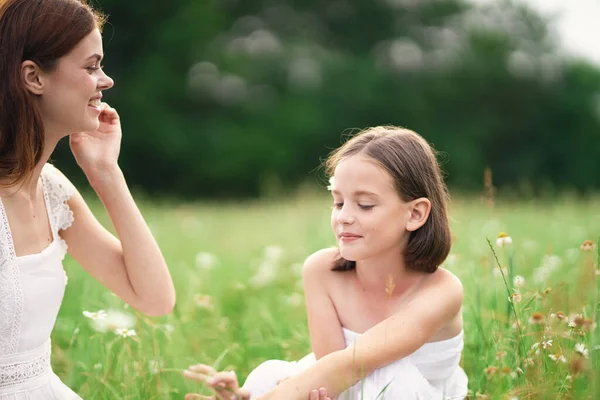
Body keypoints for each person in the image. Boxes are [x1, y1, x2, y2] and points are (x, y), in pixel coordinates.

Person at [183, 126, 468, 399]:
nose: (344, 216)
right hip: (343, 381)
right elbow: (328, 373)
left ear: (415, 214)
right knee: (267, 375)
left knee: (392, 378)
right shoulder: (322, 271)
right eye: (338, 202)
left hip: (404, 392)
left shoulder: (442, 291)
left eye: (365, 205)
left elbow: (349, 366)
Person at [0, 0, 176, 398]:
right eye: (91, 66)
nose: (107, 80)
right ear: (34, 77)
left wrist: (106, 175)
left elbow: (154, 299)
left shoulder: (51, 189)